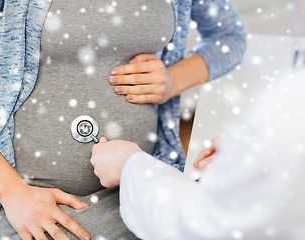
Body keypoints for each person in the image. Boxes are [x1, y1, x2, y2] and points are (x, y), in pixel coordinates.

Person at [0, 0, 246, 239]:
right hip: (30, 208)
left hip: (139, 196)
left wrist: (173, 80)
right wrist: (11, 192)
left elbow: (230, 38)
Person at [90, 67, 305, 239]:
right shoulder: (288, 112)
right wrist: (249, 151)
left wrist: (130, 166)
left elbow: (198, 228)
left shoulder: (287, 110)